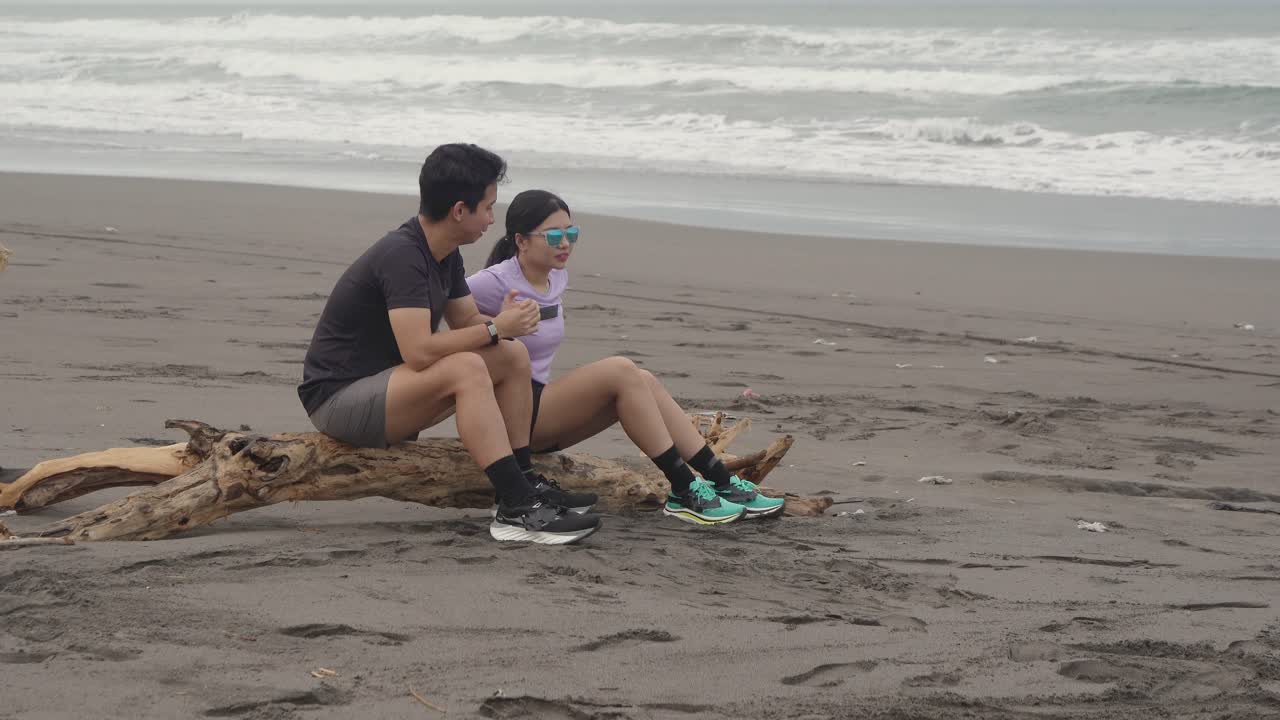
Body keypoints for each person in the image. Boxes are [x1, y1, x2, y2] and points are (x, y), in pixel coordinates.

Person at [297, 146, 601, 545]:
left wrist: (502, 323)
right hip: (338, 399)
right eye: (488, 208)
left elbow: (469, 324)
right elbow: (419, 351)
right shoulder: (404, 255)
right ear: (460, 210)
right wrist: (496, 329)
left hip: (387, 386)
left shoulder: (446, 254)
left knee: (512, 354)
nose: (493, 220)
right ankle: (516, 507)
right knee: (467, 367)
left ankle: (524, 483)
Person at [467, 190, 785, 525]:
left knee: (641, 379)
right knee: (620, 370)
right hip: (509, 421)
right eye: (555, 235)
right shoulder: (492, 281)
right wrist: (493, 326)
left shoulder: (556, 275)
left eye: (571, 234)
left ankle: (720, 480)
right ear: (521, 240)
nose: (566, 244)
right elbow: (443, 312)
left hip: (540, 408)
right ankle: (684, 488)